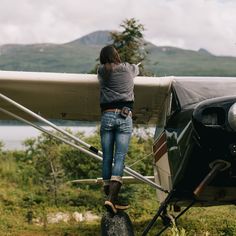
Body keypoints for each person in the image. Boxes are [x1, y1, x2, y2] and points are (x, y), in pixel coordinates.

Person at [97, 45, 139, 214]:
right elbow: (137, 69)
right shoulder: (129, 68)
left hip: (107, 116)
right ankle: (111, 199)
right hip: (124, 116)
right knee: (119, 158)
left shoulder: (101, 71)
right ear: (116, 56)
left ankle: (111, 196)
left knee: (107, 157)